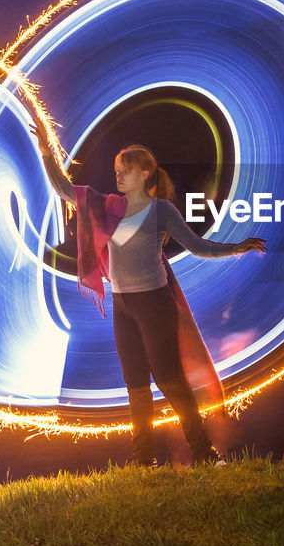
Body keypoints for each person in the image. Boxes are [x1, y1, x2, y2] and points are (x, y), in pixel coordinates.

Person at [29, 124, 266, 467]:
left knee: (170, 380)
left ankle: (203, 452)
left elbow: (197, 246)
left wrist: (235, 248)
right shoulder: (107, 206)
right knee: (135, 384)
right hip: (122, 304)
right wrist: (47, 154)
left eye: (125, 171)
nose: (119, 177)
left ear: (145, 174)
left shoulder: (161, 212)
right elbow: (65, 189)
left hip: (155, 304)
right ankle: (144, 461)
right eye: (116, 171)